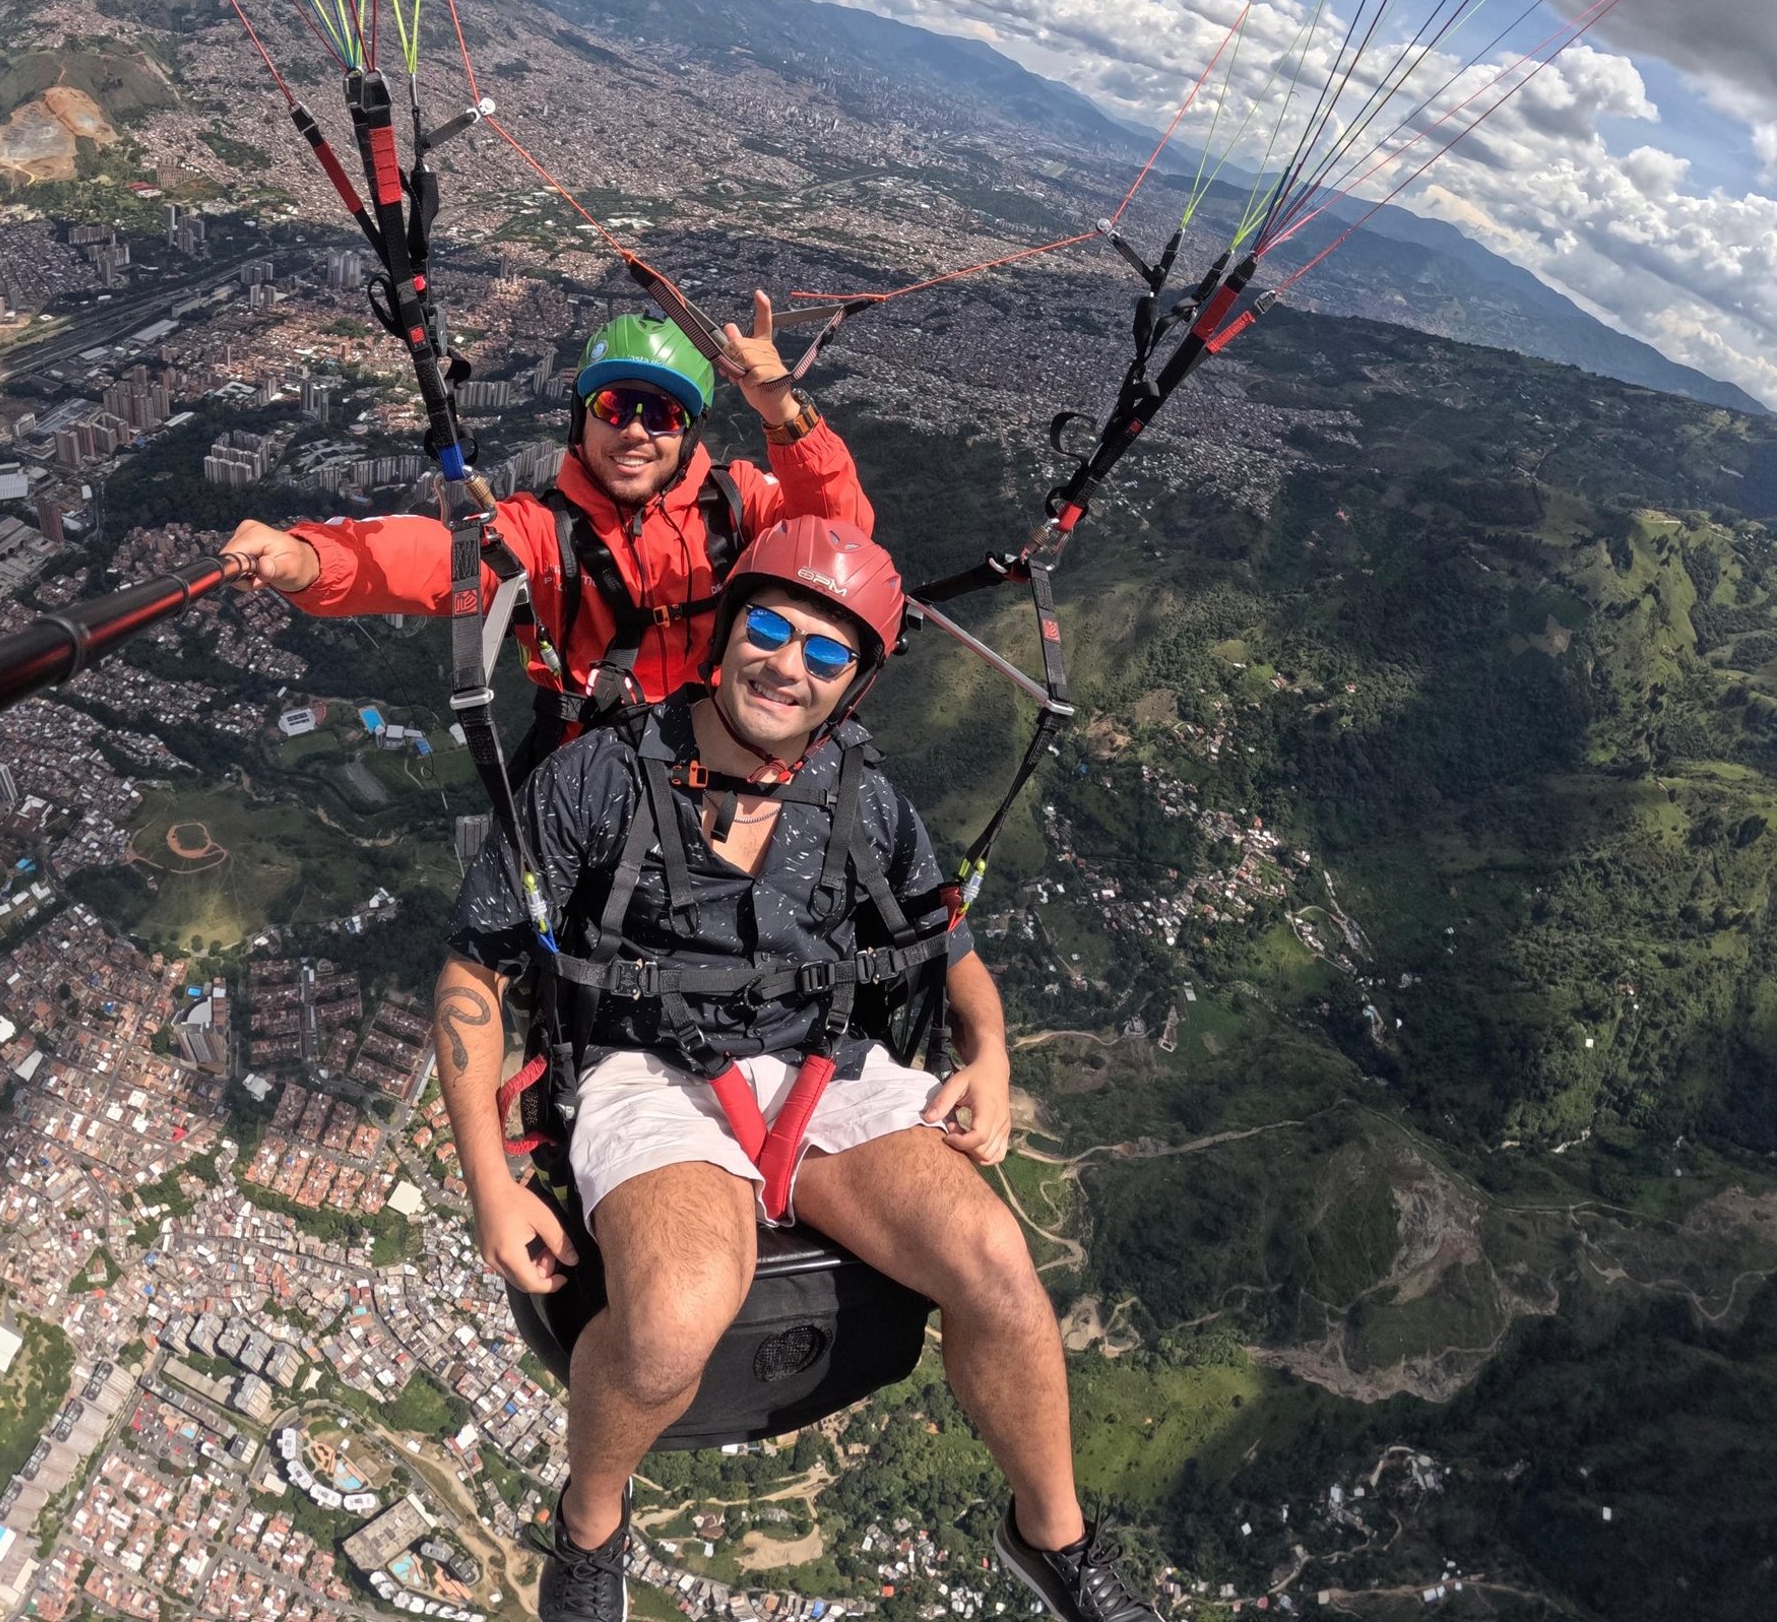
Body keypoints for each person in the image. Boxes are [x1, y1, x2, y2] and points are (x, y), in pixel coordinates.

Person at [433, 515, 1162, 1622]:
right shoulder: (597, 779)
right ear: (725, 634)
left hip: (821, 1061)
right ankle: (588, 1528)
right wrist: (490, 1179)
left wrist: (992, 1049)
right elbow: (474, 974)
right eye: (769, 629)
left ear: (854, 685)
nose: (788, 664)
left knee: (999, 1269)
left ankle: (1053, 1536)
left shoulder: (857, 795)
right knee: (676, 1316)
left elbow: (945, 938)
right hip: (646, 1066)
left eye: (826, 654)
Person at [221, 294, 874, 767]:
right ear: (581, 418)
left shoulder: (738, 504)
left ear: (689, 431)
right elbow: (436, 559)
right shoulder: (544, 530)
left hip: (723, 759)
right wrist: (309, 556)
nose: (636, 431)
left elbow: (843, 544)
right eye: (616, 406)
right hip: (589, 773)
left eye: (663, 414)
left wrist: (784, 410)